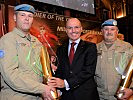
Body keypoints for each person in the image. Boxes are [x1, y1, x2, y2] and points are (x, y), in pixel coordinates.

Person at [0, 4, 54, 100]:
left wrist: (49, 68)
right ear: (15, 18)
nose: (26, 18)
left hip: (37, 96)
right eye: (22, 15)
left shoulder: (36, 41)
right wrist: (42, 88)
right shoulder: (8, 40)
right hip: (17, 97)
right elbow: (11, 74)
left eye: (30, 16)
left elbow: (38, 67)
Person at [48, 18, 99, 100]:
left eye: (76, 27)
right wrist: (53, 69)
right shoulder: (61, 49)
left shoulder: (90, 47)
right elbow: (60, 71)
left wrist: (66, 83)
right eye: (70, 28)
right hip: (66, 96)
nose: (73, 30)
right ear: (66, 30)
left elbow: (88, 71)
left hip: (86, 95)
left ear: (81, 29)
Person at [95, 19, 133, 100]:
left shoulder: (127, 47)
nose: (109, 32)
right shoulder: (95, 48)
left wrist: (131, 89)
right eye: (106, 29)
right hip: (100, 96)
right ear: (102, 31)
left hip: (122, 94)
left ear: (117, 31)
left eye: (112, 29)